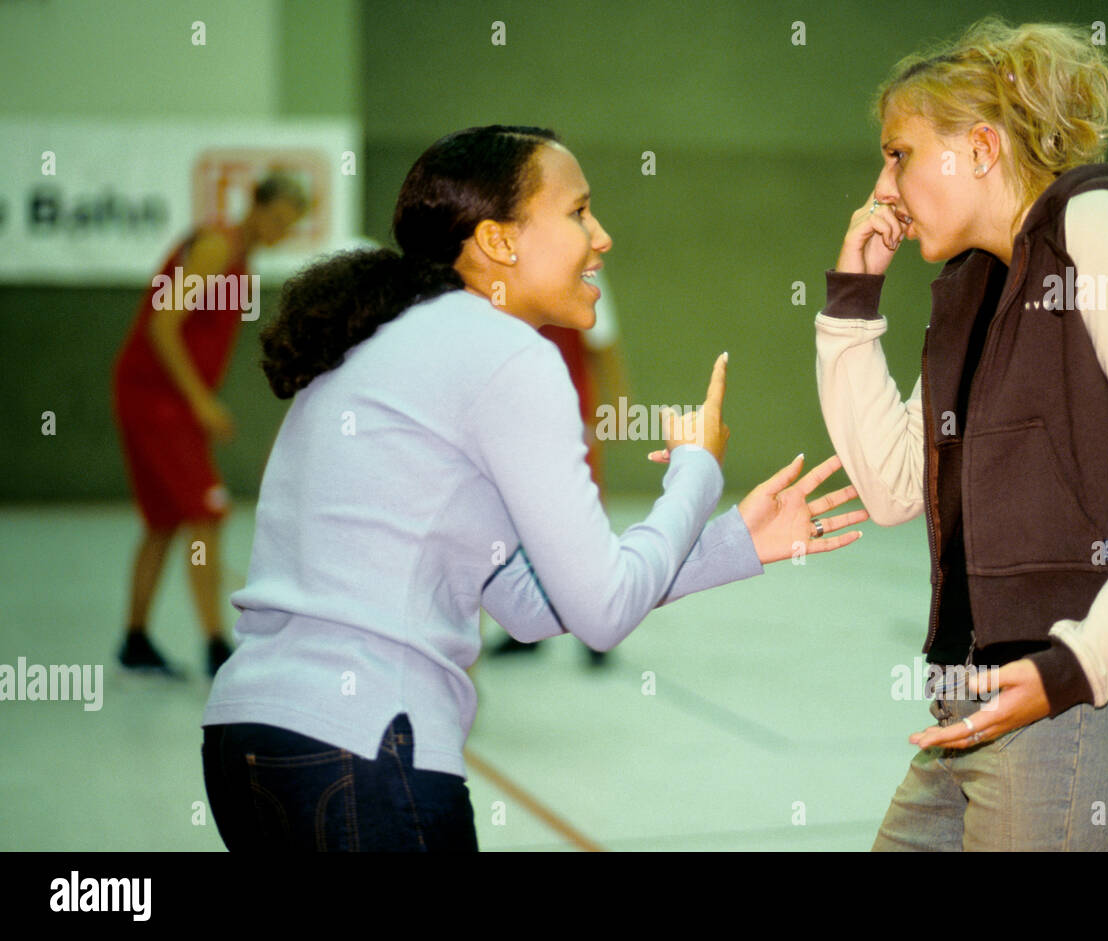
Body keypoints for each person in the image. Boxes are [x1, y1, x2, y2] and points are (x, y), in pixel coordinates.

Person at [200, 125, 867, 852]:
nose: (601, 236)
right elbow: (605, 610)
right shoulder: (507, 353)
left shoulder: (383, 337)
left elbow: (524, 600)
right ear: (497, 240)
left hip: (250, 745)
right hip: (367, 752)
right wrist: (696, 471)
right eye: (579, 211)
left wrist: (732, 543)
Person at [815, 19, 1108, 850]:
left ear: (979, 148)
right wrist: (851, 306)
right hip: (968, 711)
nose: (883, 185)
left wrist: (1071, 668)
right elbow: (894, 487)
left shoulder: (1103, 230)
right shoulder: (973, 285)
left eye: (898, 151)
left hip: (1077, 714)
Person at [112, 173, 308, 679]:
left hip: (163, 398)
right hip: (158, 398)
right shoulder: (217, 246)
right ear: (257, 206)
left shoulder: (241, 256)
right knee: (207, 512)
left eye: (291, 225)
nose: (282, 231)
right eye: (280, 219)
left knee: (162, 522)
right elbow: (162, 323)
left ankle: (135, 639)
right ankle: (216, 643)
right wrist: (201, 403)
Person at [490, 267, 631, 665]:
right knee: (522, 519)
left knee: (580, 522)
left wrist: (615, 409)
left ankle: (597, 629)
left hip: (573, 413)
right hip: (521, 413)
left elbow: (604, 347)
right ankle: (528, 624)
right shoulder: (511, 275)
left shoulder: (585, 278)